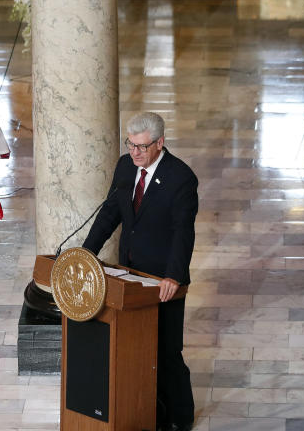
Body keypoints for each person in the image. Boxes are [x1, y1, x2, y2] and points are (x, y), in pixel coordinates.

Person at [82, 111, 197, 431]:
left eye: (142, 147)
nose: (134, 152)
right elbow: (109, 215)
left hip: (162, 280)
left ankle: (179, 417)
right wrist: (86, 254)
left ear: (160, 143)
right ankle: (148, 409)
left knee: (166, 350)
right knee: (136, 347)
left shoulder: (181, 178)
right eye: (130, 145)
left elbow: (182, 232)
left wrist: (173, 275)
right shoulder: (124, 167)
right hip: (129, 277)